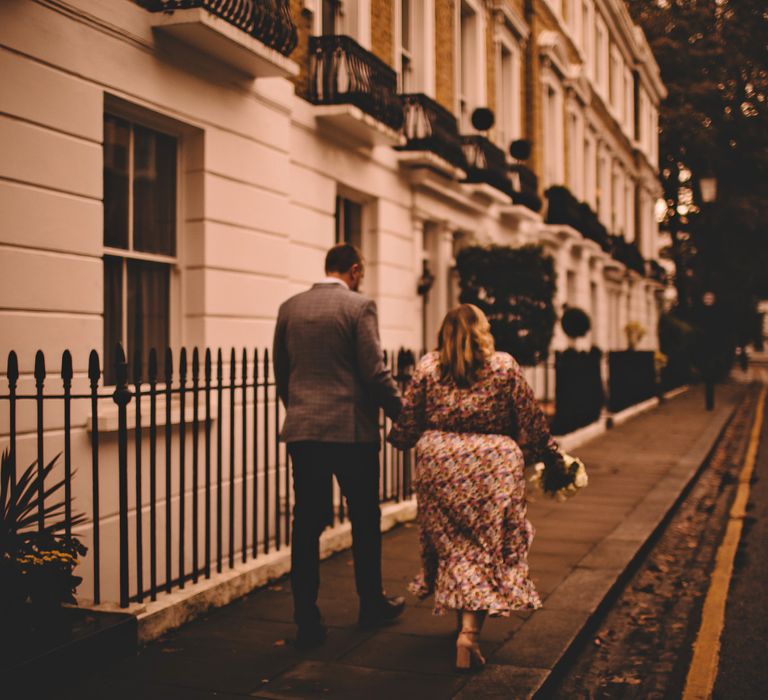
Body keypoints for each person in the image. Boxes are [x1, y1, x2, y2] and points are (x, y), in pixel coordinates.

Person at [388, 304, 562, 670]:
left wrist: (401, 439)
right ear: (483, 331)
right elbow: (531, 418)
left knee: (454, 548)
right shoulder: (504, 366)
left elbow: (407, 423)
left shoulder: (428, 366)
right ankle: (468, 635)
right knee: (485, 548)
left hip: (439, 464)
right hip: (492, 466)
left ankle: (462, 625)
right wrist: (551, 457)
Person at [273, 243, 405, 649]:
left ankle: (307, 621)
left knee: (306, 524)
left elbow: (282, 372)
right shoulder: (359, 307)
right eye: (360, 272)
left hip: (304, 432)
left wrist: (300, 410)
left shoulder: (290, 307)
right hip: (351, 434)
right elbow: (374, 372)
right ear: (353, 268)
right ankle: (370, 605)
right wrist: (404, 414)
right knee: (365, 520)